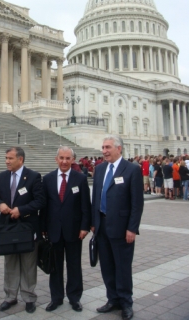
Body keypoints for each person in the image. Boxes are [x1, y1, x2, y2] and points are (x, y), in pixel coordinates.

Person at [91, 135, 143, 320]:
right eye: (103, 147)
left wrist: (132, 228)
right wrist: (93, 222)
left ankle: (126, 303)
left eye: (108, 147)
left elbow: (137, 203)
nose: (104, 151)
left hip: (122, 229)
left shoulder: (131, 169)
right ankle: (112, 299)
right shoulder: (99, 169)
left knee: (122, 266)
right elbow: (96, 197)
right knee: (107, 266)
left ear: (119, 148)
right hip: (102, 226)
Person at [0, 147, 45, 314]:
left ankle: (29, 297)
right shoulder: (1, 177)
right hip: (8, 228)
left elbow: (40, 201)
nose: (7, 161)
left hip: (27, 228)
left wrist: (21, 210)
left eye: (10, 158)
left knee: (29, 263)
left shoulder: (33, 177)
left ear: (20, 159)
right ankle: (10, 296)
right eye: (6, 158)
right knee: (11, 263)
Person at [41, 146, 91, 313]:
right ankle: (56, 298)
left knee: (74, 265)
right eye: (61, 158)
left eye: (67, 158)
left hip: (74, 231)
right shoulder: (47, 179)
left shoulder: (80, 179)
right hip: (53, 230)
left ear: (72, 160)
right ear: (56, 159)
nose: (64, 161)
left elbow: (86, 206)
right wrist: (43, 228)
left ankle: (75, 298)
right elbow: (45, 206)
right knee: (55, 266)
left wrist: (84, 227)